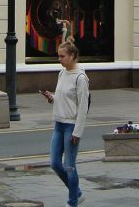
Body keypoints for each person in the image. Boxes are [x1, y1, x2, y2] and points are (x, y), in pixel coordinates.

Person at [41, 41, 89, 207]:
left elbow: (83, 107)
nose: (59, 59)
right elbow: (63, 98)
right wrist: (52, 98)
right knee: (55, 163)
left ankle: (72, 202)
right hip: (59, 124)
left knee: (69, 166)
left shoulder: (80, 78)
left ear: (72, 56)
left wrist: (77, 132)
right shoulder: (62, 73)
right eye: (58, 56)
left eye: (62, 56)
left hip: (71, 126)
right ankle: (77, 193)